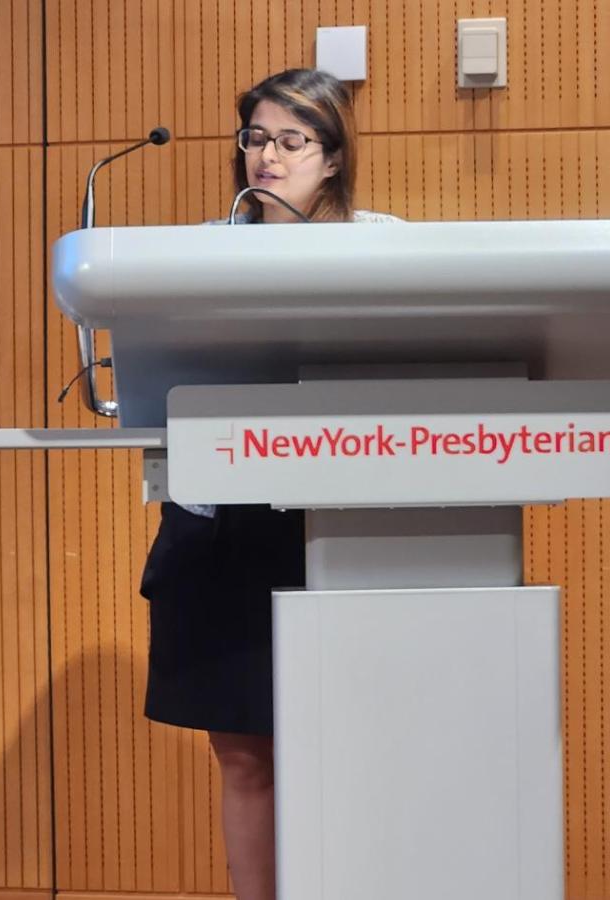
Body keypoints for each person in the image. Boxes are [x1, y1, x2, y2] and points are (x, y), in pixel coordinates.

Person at [136, 67, 400, 900]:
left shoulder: (383, 243)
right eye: (255, 137)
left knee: (346, 746)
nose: (268, 156)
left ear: (332, 157)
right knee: (243, 749)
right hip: (225, 519)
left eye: (292, 140)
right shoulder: (200, 252)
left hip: (341, 518)